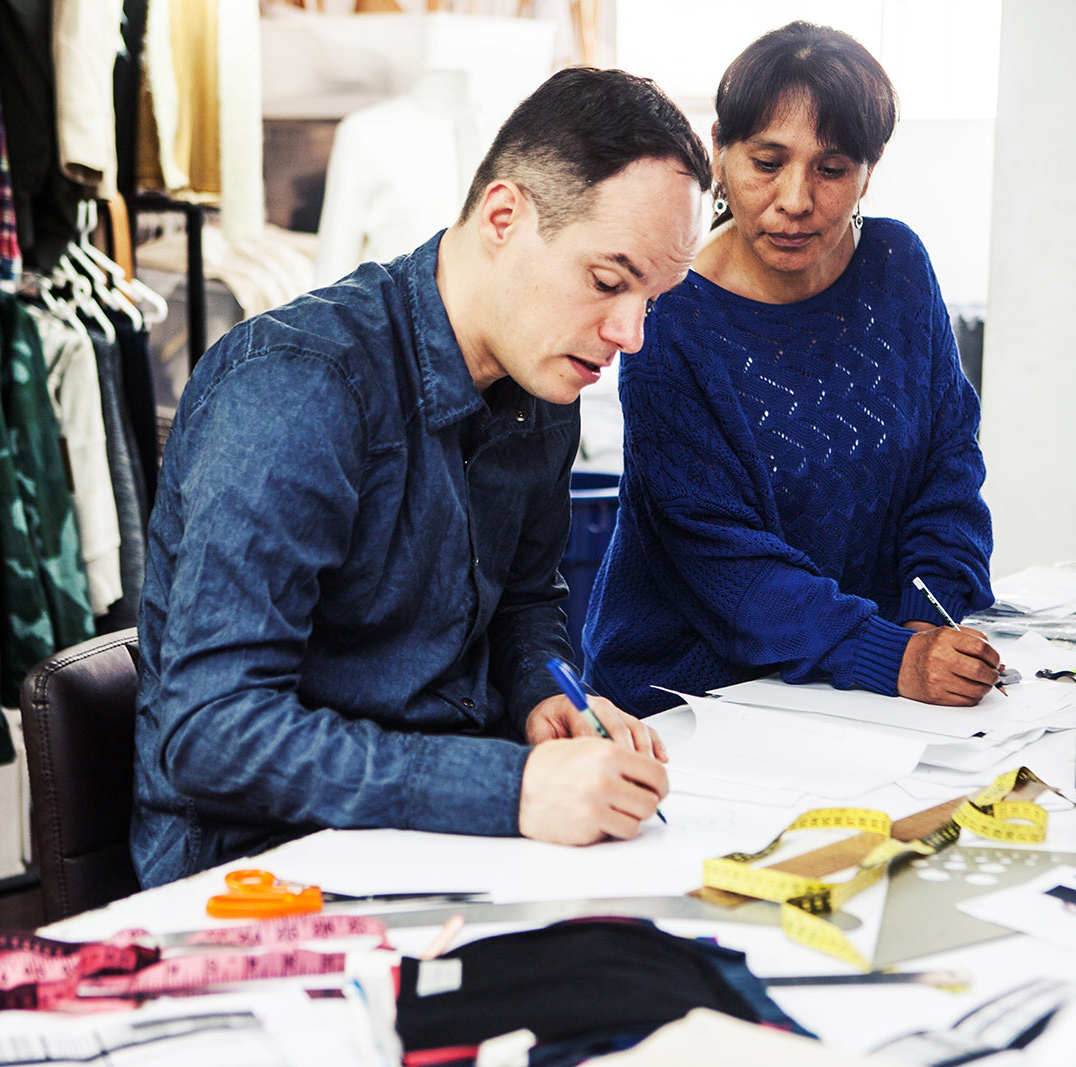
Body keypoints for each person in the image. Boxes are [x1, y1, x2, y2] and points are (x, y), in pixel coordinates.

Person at [131, 68, 711, 887]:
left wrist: (547, 695)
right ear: (504, 217)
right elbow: (211, 732)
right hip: (262, 872)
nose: (630, 334)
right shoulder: (298, 387)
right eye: (610, 282)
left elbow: (525, 601)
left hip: (437, 838)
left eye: (653, 299)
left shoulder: (543, 378)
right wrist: (509, 787)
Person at [583, 22, 998, 718]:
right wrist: (894, 655)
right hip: (691, 697)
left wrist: (933, 614)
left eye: (832, 169)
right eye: (768, 162)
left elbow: (948, 469)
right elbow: (724, 562)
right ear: (720, 151)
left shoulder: (897, 267)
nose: (797, 199)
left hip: (862, 685)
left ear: (871, 168)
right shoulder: (669, 318)